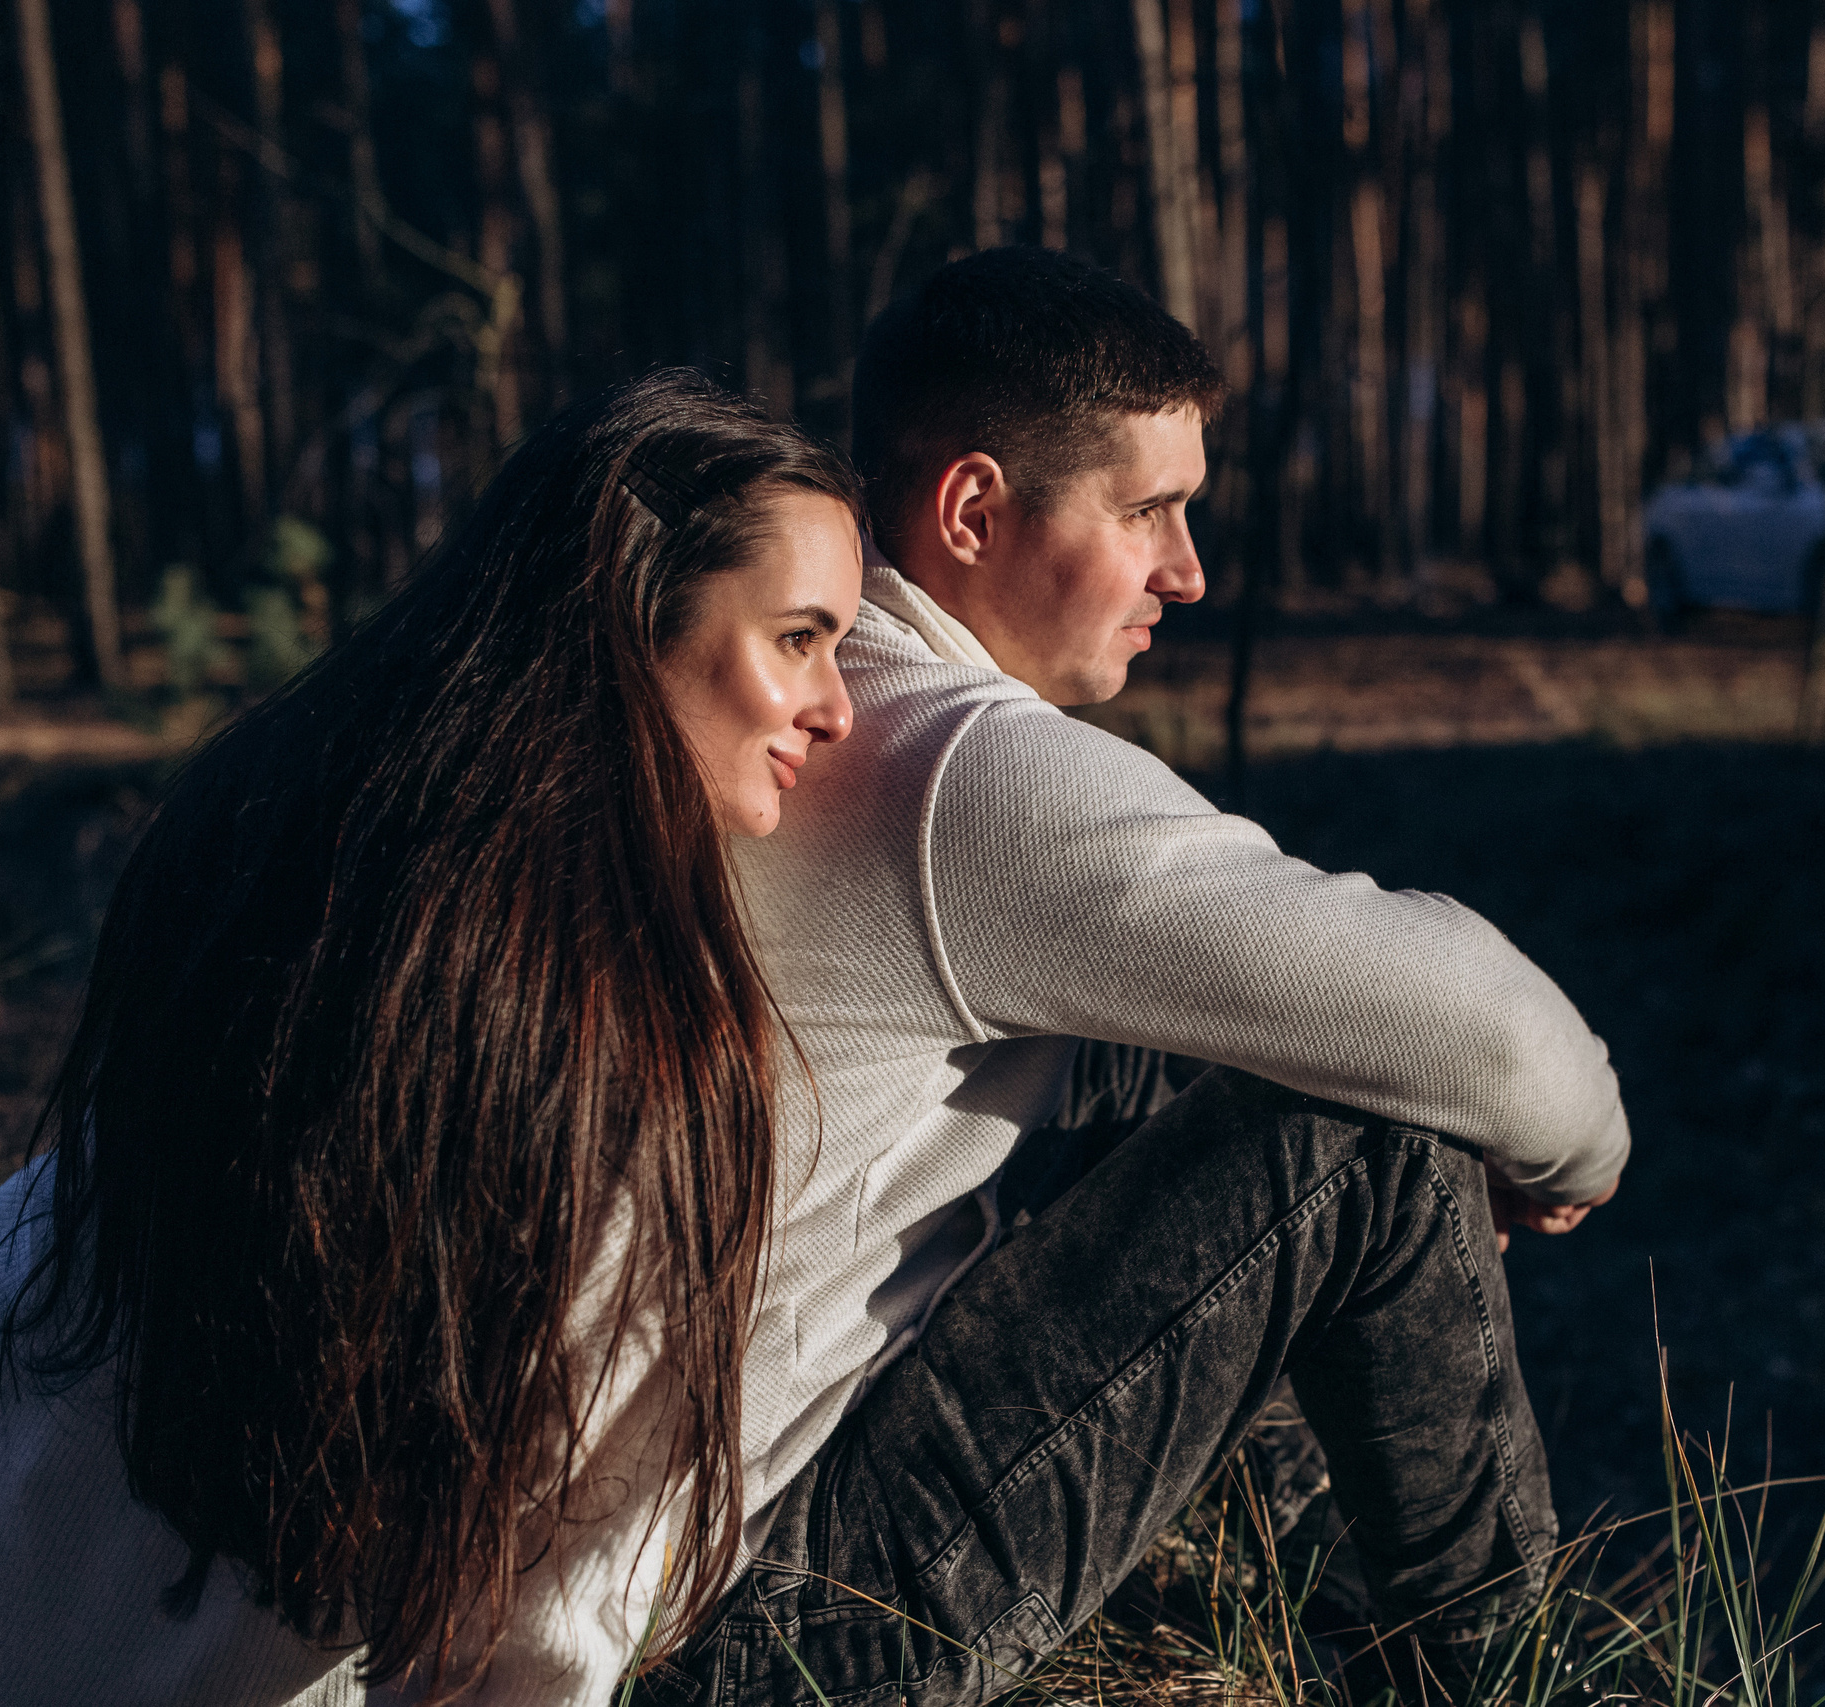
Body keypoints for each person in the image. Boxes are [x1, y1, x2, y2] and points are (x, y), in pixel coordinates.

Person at [652, 247, 1629, 1705]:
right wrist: (1576, 1157)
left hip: (697, 1553)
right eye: (1149, 512)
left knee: (1223, 1050)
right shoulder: (949, 767)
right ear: (975, 509)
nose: (1190, 571)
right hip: (772, 1640)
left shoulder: (785, 689)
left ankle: (1286, 1586)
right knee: (1361, 1128)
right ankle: (1514, 1682)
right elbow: (1479, 1029)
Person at [0, 371, 865, 1705]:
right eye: (799, 638)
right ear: (624, 619)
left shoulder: (296, 809)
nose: (839, 709)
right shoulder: (592, 1027)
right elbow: (534, 1600)